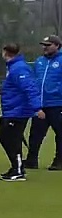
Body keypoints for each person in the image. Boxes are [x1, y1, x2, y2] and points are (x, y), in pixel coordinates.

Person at [0, 43, 40, 181]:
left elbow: (29, 88)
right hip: (12, 109)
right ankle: (16, 167)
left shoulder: (19, 68)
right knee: (6, 137)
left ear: (5, 52)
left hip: (18, 111)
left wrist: (37, 108)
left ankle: (18, 169)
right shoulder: (13, 66)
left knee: (10, 139)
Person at [25, 34, 62, 171]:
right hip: (41, 104)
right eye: (44, 45)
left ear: (57, 46)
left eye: (48, 45)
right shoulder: (39, 61)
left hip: (57, 104)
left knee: (60, 133)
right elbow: (34, 79)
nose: (45, 48)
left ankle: (59, 161)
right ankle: (32, 160)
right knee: (35, 134)